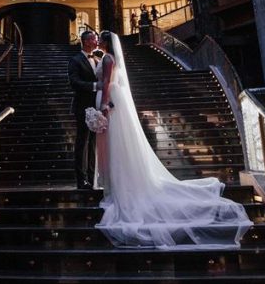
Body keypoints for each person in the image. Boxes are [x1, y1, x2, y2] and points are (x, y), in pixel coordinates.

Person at [93, 30, 252, 249]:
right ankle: (116, 181)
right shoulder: (107, 58)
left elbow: (108, 81)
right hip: (113, 97)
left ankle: (121, 185)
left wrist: (104, 104)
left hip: (111, 99)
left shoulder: (108, 59)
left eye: (100, 38)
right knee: (118, 144)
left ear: (107, 42)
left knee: (117, 144)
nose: (98, 41)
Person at [67, 29, 100, 189]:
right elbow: (74, 82)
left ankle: (92, 177)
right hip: (82, 106)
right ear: (86, 41)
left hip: (97, 106)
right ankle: (81, 180)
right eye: (94, 39)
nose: (97, 41)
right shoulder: (75, 60)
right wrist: (94, 86)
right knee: (82, 142)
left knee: (93, 143)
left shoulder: (98, 58)